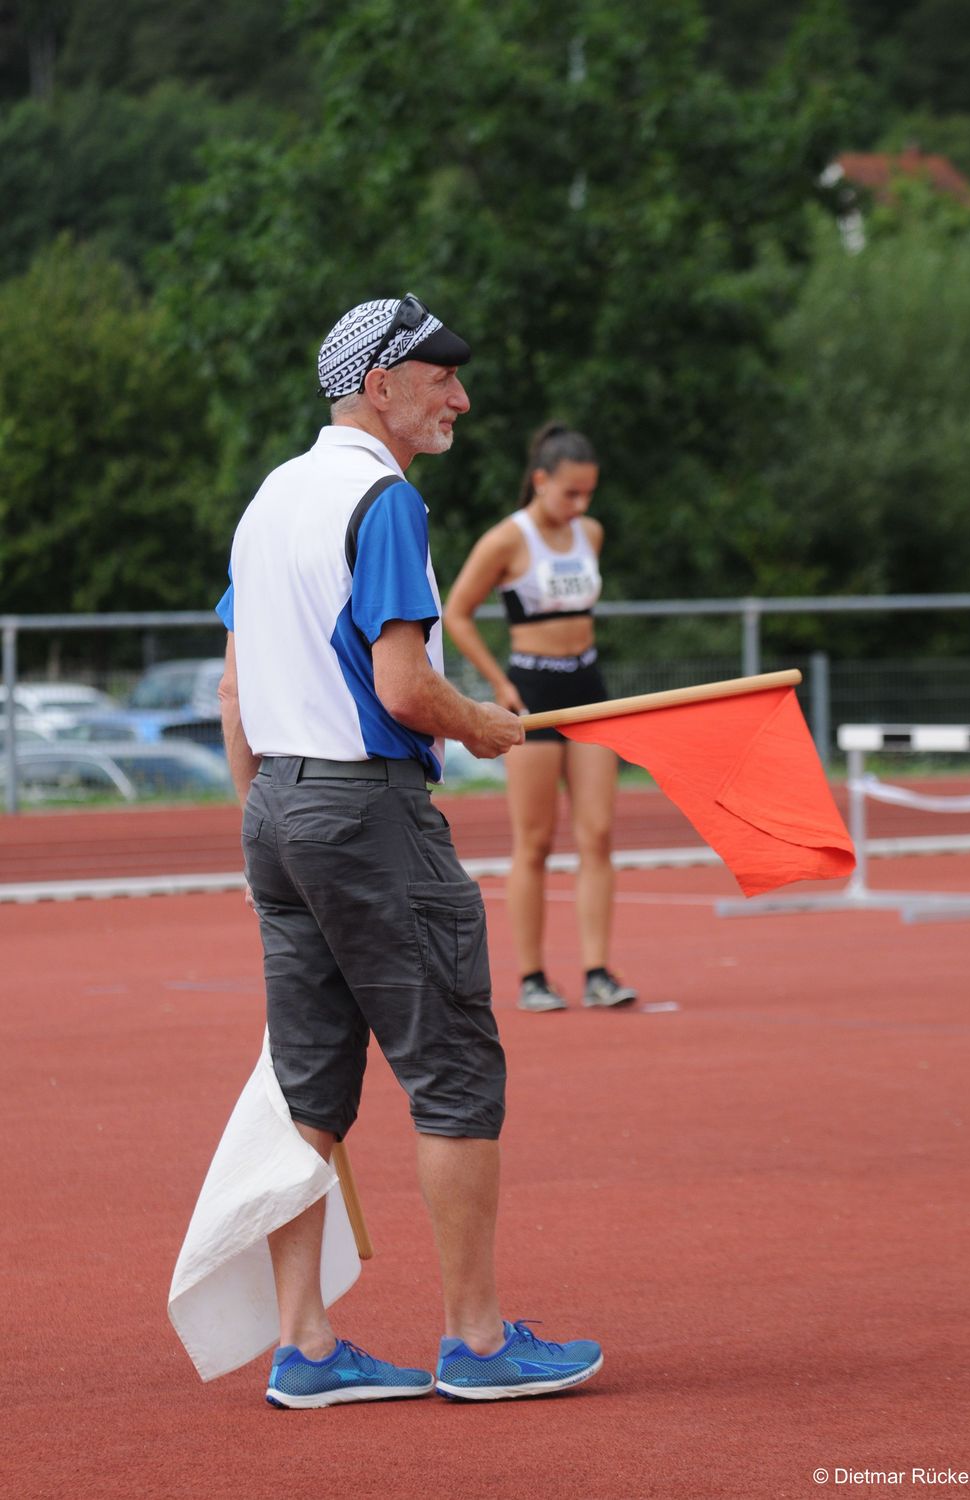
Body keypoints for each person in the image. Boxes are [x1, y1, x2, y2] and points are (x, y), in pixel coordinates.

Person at [214, 296, 603, 1408]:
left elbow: (237, 690)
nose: (461, 398)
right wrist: (478, 721)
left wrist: (268, 830)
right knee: (454, 1072)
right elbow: (401, 689)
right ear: (379, 384)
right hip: (365, 812)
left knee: (307, 1089)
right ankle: (477, 1344)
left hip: (279, 810)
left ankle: (309, 1347)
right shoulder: (383, 499)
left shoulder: (270, 498)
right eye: (441, 377)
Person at [444, 422, 638, 1014]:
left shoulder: (592, 534)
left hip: (588, 683)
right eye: (570, 493)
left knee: (598, 833)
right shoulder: (508, 539)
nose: (580, 506)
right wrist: (499, 684)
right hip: (531, 688)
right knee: (534, 839)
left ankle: (598, 970)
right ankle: (532, 975)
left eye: (588, 495)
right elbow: (457, 612)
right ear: (540, 481)